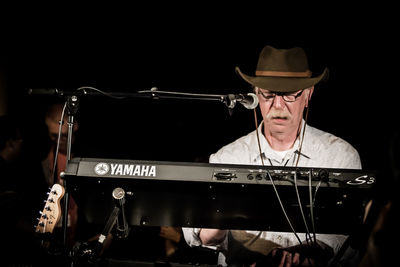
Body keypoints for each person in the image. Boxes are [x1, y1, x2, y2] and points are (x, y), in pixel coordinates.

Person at [182, 45, 363, 266]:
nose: (277, 105)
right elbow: (198, 234)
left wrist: (303, 255)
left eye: (289, 95)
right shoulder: (228, 157)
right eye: (268, 94)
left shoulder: (339, 155)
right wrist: (218, 220)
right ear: (255, 94)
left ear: (308, 94)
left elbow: (348, 238)